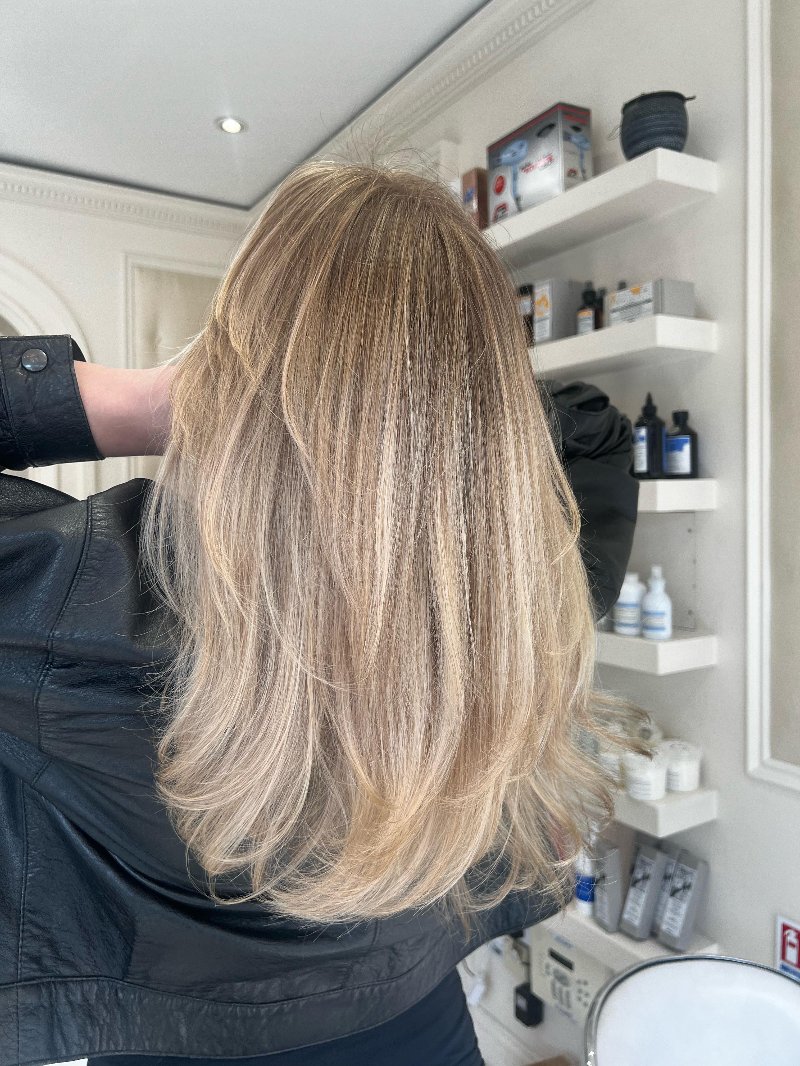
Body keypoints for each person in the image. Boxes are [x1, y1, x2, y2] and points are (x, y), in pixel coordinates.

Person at [0, 162, 638, 1066]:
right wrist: (447, 412)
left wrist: (147, 402)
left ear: (230, 361)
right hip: (424, 1035)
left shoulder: (68, 596)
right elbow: (598, 428)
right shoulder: (524, 593)